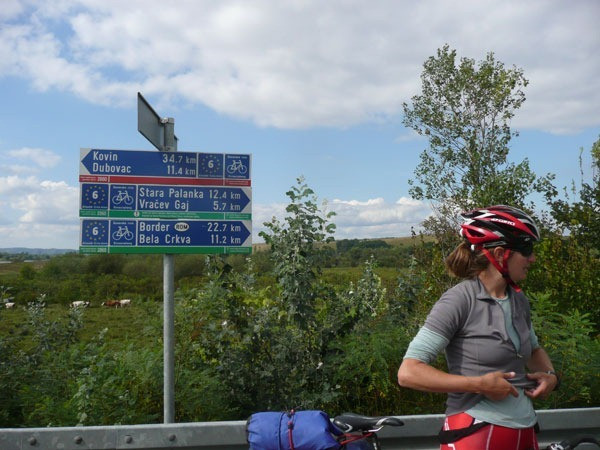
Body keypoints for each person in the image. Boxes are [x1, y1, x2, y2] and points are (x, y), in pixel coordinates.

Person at [398, 205, 559, 450]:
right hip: (475, 430)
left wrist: (550, 376)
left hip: (524, 429)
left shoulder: (518, 299)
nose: (532, 258)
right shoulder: (459, 300)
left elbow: (533, 350)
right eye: (526, 249)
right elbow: (408, 373)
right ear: (499, 254)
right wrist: (478, 384)